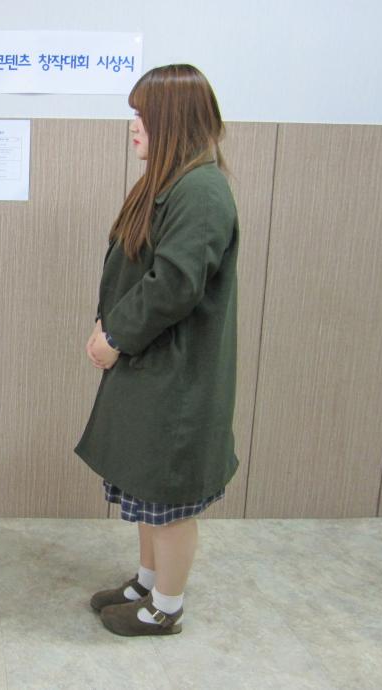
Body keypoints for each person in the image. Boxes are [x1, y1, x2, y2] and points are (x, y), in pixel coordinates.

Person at [75, 64, 239, 637]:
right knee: (146, 487)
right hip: (153, 363)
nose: (133, 126)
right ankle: (147, 581)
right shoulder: (172, 182)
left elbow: (173, 285)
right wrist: (108, 327)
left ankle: (165, 606)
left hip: (176, 374)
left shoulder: (201, 190)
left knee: (168, 496)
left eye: (142, 116)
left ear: (173, 121)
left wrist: (116, 336)